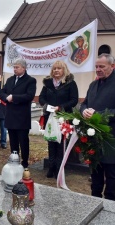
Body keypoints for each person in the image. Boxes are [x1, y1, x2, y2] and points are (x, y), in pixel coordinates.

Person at [80, 53, 115, 200]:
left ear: (112, 66)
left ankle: (110, 206)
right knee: (95, 172)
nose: (98, 69)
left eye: (102, 66)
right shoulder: (93, 84)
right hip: (94, 138)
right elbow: (84, 103)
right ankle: (94, 199)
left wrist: (98, 115)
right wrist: (84, 111)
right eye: (96, 67)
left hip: (111, 138)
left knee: (112, 175)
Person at [39, 60, 79, 178]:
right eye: (54, 68)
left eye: (59, 68)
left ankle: (59, 168)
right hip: (50, 117)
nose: (56, 70)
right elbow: (41, 98)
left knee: (61, 143)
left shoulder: (70, 83)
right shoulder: (47, 83)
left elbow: (74, 100)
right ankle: (51, 167)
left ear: (64, 70)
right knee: (51, 141)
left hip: (64, 117)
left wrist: (61, 107)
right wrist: (47, 106)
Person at [0, 58, 36, 168]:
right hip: (10, 115)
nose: (14, 69)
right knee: (13, 140)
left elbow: (29, 96)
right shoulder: (10, 79)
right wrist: (6, 97)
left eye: (17, 67)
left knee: (23, 140)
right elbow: (2, 92)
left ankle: (25, 162)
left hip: (22, 116)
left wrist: (13, 97)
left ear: (23, 68)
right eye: (14, 67)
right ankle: (14, 159)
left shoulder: (30, 80)